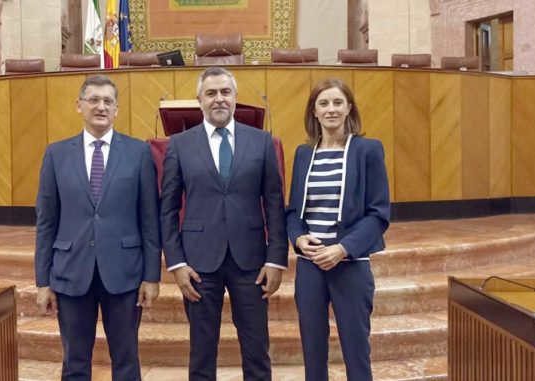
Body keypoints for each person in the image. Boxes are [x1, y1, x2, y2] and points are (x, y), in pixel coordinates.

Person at [160, 66, 287, 381]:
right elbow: (168, 208)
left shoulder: (261, 142)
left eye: (225, 92)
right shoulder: (179, 145)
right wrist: (176, 263)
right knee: (201, 354)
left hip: (252, 261)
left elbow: (274, 203)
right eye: (211, 93)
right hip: (198, 263)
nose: (219, 99)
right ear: (199, 100)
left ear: (235, 97)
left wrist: (276, 259)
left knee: (257, 351)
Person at [34, 75, 161, 381]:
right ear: (79, 105)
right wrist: (42, 281)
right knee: (75, 362)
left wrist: (151, 276)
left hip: (125, 274)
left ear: (116, 108)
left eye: (107, 101)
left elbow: (149, 219)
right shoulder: (56, 154)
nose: (101, 107)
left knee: (127, 360)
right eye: (93, 100)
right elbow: (46, 222)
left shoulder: (138, 152)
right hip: (70, 273)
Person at [285, 78, 390, 381]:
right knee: (313, 351)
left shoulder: (368, 150)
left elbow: (378, 213)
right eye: (323, 103)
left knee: (356, 353)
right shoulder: (304, 154)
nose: (331, 109)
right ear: (314, 112)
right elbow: (294, 212)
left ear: (348, 109)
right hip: (310, 267)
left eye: (337, 103)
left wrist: (343, 248)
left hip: (350, 265)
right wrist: (299, 238)